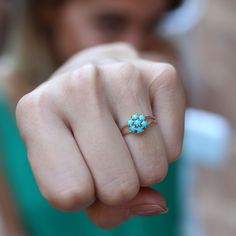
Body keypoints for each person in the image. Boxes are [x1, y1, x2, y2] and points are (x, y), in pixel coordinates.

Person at [0, 0, 185, 235]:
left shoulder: (163, 79)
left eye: (151, 26)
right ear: (48, 10)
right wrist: (82, 70)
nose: (135, 45)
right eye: (110, 23)